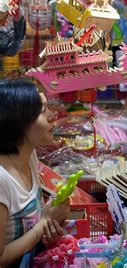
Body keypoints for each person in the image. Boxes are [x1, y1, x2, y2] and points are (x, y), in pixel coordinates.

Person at [0, 79, 70, 266]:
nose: (52, 115)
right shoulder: (2, 180)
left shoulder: (29, 156)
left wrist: (52, 221)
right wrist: (44, 223)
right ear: (20, 122)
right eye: (42, 110)